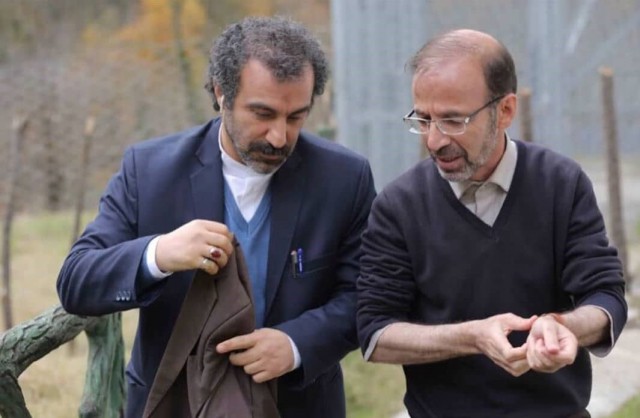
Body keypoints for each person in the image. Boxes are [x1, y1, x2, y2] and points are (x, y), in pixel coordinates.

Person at [57, 16, 376, 418]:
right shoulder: (149, 170)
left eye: (296, 116)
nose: (279, 136)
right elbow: (77, 280)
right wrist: (158, 254)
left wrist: (296, 345)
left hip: (298, 405)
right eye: (262, 114)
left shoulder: (344, 178)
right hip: (172, 405)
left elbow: (366, 295)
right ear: (222, 93)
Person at [357, 29, 627, 418]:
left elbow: (606, 298)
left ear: (506, 111)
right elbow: (375, 333)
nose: (434, 141)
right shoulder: (398, 206)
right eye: (424, 119)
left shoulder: (561, 183)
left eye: (452, 120)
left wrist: (560, 327)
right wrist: (472, 337)